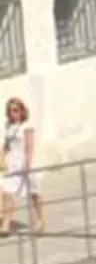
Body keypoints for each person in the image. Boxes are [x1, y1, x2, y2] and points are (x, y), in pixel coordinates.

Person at [1, 98, 40, 238]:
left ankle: (40, 219)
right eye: (10, 110)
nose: (13, 113)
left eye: (16, 110)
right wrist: (2, 157)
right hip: (12, 163)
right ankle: (6, 223)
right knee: (5, 191)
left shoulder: (27, 126)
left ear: (22, 111)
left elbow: (30, 146)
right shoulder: (8, 126)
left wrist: (28, 163)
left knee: (34, 193)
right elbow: (6, 144)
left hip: (25, 162)